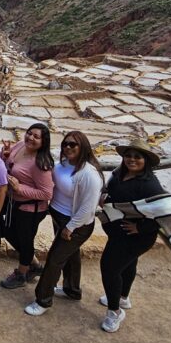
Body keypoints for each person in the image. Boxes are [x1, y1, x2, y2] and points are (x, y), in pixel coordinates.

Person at [25, 131, 103, 315]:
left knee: (54, 259)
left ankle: (42, 300)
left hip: (76, 224)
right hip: (59, 216)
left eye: (73, 145)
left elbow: (88, 207)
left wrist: (70, 227)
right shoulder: (64, 164)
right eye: (65, 144)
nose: (68, 147)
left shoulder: (89, 174)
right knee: (71, 257)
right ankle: (72, 290)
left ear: (83, 146)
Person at [97, 139, 168, 333]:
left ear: (146, 161)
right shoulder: (120, 174)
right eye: (128, 155)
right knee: (128, 264)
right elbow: (113, 194)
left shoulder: (149, 185)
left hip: (135, 237)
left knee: (109, 268)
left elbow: (167, 212)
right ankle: (123, 297)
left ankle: (114, 312)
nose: (132, 160)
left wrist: (142, 227)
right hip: (119, 232)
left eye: (137, 157)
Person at [0, 123, 55, 289]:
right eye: (29, 133)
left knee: (25, 241)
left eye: (36, 137)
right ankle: (36, 265)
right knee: (7, 231)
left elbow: (47, 194)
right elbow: (9, 164)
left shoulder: (41, 164)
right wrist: (5, 155)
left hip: (30, 209)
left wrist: (19, 188)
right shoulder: (21, 145)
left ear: (43, 142)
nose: (31, 138)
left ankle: (21, 274)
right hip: (14, 203)